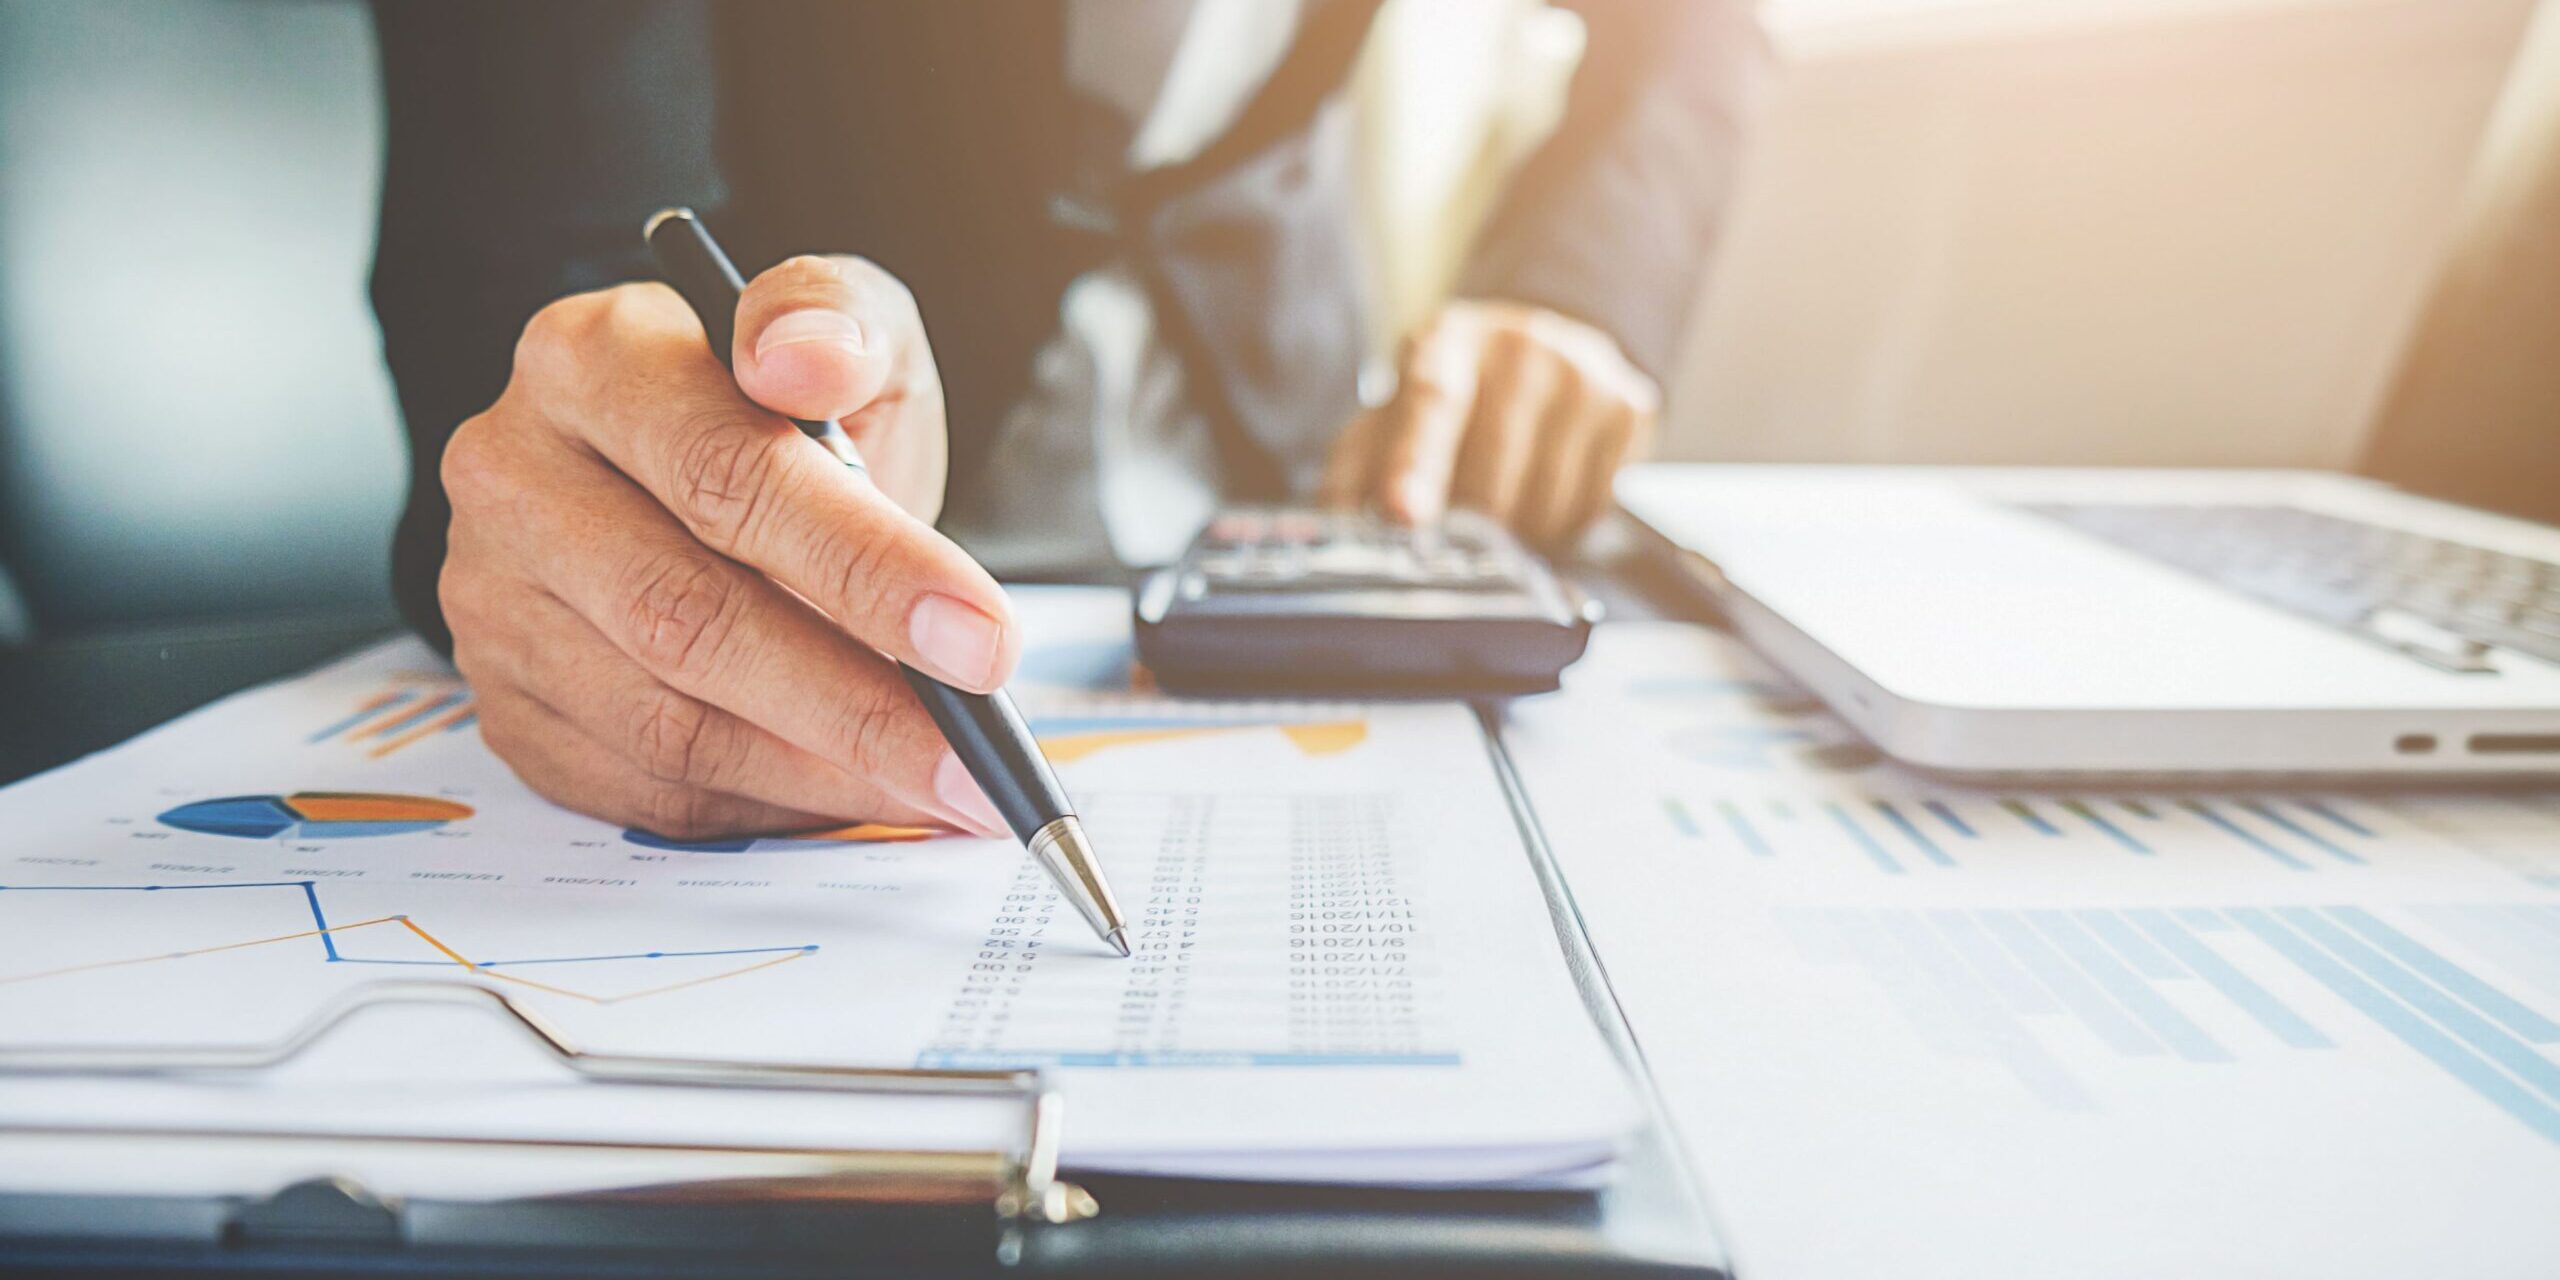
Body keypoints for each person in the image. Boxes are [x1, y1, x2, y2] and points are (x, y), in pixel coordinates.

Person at [369, 0, 1762, 840]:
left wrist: (1579, 294)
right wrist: (595, 466)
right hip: (815, 478)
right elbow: (543, 239)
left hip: (1296, 477)